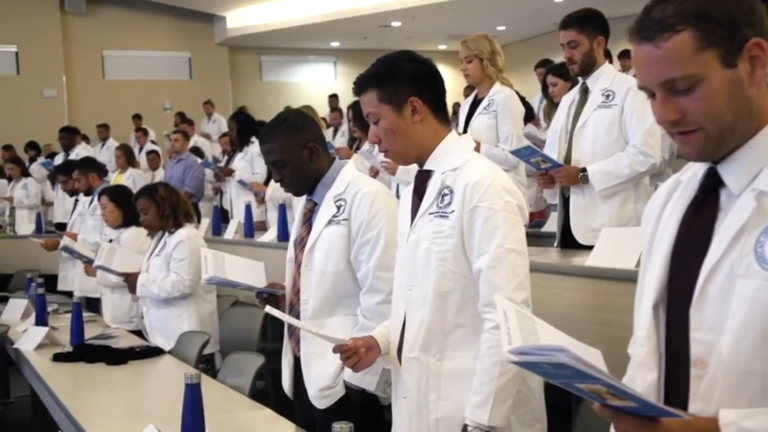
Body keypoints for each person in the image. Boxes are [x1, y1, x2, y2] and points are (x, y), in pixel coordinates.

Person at [333, 50, 546, 432]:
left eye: (376, 120)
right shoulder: (419, 183)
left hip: (473, 413)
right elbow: (420, 295)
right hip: (422, 403)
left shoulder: (483, 185)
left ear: (414, 109)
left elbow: (508, 319)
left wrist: (481, 422)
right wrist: (380, 341)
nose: (373, 138)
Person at [594, 0, 768, 430]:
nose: (663, 115)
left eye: (684, 88)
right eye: (650, 94)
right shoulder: (670, 201)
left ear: (754, 63)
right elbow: (648, 355)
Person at [259, 109, 396, 432]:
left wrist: (358, 383)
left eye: (280, 165)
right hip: (307, 371)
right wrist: (290, 296)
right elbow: (325, 280)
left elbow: (385, 296)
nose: (276, 178)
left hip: (348, 382)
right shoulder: (309, 202)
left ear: (311, 152)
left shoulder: (369, 198)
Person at [536, 8, 662, 249]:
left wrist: (585, 174)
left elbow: (647, 155)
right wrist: (549, 177)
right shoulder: (569, 99)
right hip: (568, 222)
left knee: (609, 288)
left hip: (613, 222)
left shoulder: (631, 90)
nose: (567, 55)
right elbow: (555, 154)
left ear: (599, 44)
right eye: (563, 47)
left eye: (574, 46)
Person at [122, 183, 220, 376]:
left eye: (145, 212)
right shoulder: (163, 237)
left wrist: (140, 282)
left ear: (164, 207)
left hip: (188, 339)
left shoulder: (186, 237)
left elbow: (183, 283)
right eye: (140, 213)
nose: (141, 219)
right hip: (165, 337)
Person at [458, 33, 529, 219]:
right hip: (475, 191)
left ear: (486, 60)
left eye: (469, 61)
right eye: (461, 61)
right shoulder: (466, 105)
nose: (462, 67)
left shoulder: (505, 98)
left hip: (504, 194)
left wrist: (476, 146)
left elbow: (514, 157)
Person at [83, 185, 149, 336]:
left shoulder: (134, 235)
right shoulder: (121, 233)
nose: (101, 213)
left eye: (105, 208)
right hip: (116, 315)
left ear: (121, 207)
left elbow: (127, 276)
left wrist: (96, 272)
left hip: (129, 317)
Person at [65, 157, 111, 310]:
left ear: (92, 177)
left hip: (103, 271)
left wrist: (78, 238)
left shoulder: (110, 199)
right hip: (90, 268)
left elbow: (109, 238)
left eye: (78, 180)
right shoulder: (93, 198)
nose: (76, 186)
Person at [39, 160, 82, 294]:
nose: (62, 188)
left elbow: (91, 241)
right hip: (76, 271)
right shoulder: (79, 201)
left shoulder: (94, 203)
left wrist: (59, 244)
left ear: (76, 178)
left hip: (86, 274)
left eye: (64, 182)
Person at [215, 111, 267, 224]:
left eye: (232, 130)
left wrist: (234, 173)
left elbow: (260, 180)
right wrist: (222, 179)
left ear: (243, 129)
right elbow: (233, 183)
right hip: (235, 210)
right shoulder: (239, 150)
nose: (230, 134)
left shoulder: (256, 148)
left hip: (252, 210)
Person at [52, 126, 94, 232]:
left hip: (76, 203)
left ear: (76, 138)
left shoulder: (85, 155)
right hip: (60, 208)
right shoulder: (58, 158)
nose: (62, 142)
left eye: (65, 139)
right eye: (60, 139)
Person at [163, 130, 205, 223]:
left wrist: (171, 203)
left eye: (176, 140)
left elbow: (189, 191)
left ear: (186, 143)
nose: (172, 143)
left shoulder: (193, 162)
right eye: (171, 140)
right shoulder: (170, 163)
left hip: (187, 207)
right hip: (171, 208)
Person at [2, 155, 41, 234]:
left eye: (12, 169)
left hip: (27, 219)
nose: (9, 172)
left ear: (20, 167)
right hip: (13, 219)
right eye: (7, 169)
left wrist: (15, 201)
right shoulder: (12, 184)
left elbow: (36, 202)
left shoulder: (29, 181)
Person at [540, 62, 579, 129]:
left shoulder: (579, 106)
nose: (550, 91)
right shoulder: (548, 109)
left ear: (569, 82)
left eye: (554, 85)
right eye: (548, 87)